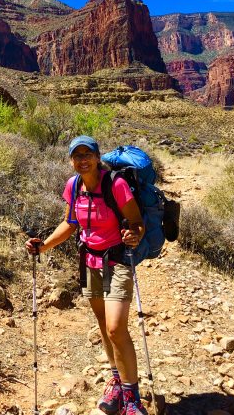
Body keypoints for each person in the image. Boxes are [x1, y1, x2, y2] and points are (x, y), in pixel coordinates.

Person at [25, 135, 148, 415]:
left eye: (87, 154)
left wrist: (134, 235)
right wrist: (43, 246)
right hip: (90, 261)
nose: (83, 160)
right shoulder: (73, 186)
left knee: (116, 328)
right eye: (77, 155)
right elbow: (70, 224)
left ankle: (132, 398)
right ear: (71, 160)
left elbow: (137, 223)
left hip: (117, 261)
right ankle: (116, 382)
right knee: (103, 324)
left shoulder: (115, 184)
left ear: (97, 156)